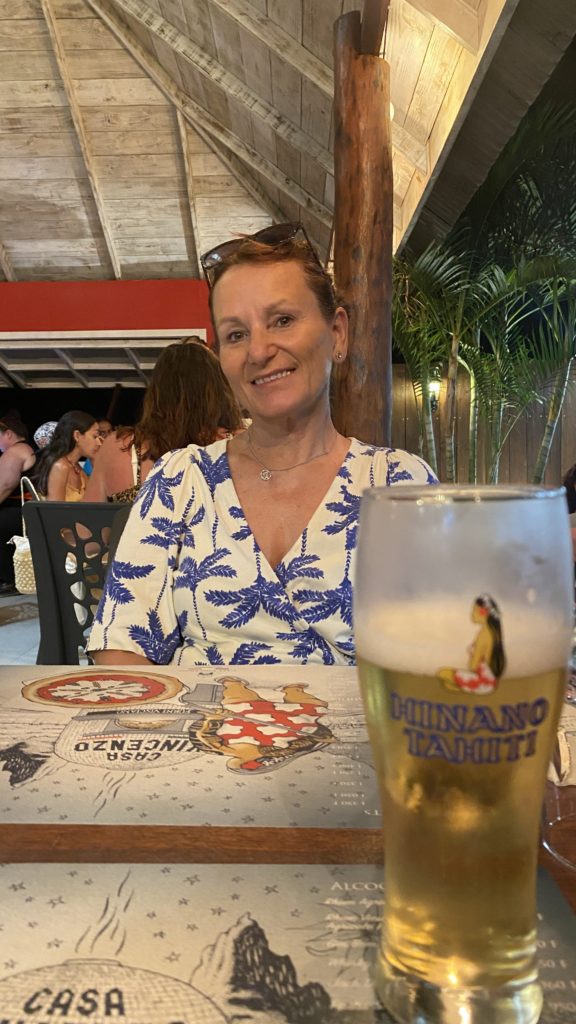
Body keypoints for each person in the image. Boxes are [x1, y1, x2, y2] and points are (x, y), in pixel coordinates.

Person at [88, 222, 436, 667]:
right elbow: (122, 645)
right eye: (236, 334)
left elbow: (441, 654)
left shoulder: (400, 483)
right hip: (198, 713)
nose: (258, 351)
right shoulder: (181, 479)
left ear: (337, 333)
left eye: (282, 320)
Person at [84, 338, 244, 504]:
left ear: (156, 393)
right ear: (217, 391)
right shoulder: (241, 444)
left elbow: (86, 520)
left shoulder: (119, 447)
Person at [437, 594, 506, 695]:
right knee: (447, 684)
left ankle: (463, 689)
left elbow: (473, 666)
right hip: (491, 682)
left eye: (474, 610)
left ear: (483, 612)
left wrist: (471, 657)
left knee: (442, 673)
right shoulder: (493, 633)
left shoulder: (484, 636)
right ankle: (460, 689)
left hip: (482, 683)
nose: (471, 613)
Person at [0, 411, 36, 595]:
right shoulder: (27, 449)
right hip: (27, 511)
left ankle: (9, 579)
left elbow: (5, 485)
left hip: (21, 512)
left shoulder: (15, 451)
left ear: (8, 434)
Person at [34, 411, 102, 501]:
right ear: (77, 436)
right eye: (95, 436)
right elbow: (55, 509)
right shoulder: (60, 466)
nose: (99, 442)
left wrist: (95, 460)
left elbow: (98, 500)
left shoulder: (76, 467)